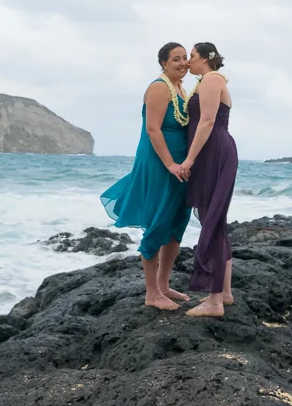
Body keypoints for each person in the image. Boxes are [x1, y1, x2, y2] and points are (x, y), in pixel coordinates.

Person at [100, 42, 194, 310]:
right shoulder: (159, 87)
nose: (183, 63)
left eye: (185, 58)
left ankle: (164, 286)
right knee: (158, 220)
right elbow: (153, 130)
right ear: (163, 63)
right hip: (159, 163)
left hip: (180, 165)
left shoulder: (180, 89)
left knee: (178, 222)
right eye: (176, 59)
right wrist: (170, 164)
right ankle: (152, 293)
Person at [182, 41, 237, 317]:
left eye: (192, 56)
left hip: (213, 151)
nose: (188, 61)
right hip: (212, 150)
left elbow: (206, 121)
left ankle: (214, 302)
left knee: (212, 220)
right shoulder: (206, 80)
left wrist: (189, 159)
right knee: (214, 220)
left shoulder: (212, 79)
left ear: (205, 58)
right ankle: (224, 293)